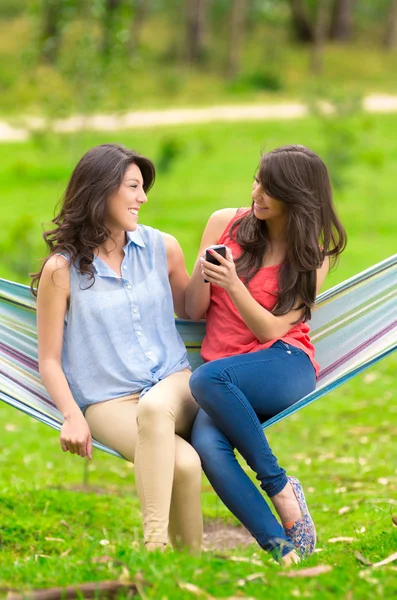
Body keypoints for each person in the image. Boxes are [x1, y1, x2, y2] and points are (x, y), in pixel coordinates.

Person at [32, 143, 203, 554]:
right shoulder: (61, 271)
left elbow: (194, 309)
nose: (142, 198)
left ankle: (154, 544)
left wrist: (223, 263)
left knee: (154, 408)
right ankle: (189, 567)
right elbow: (49, 360)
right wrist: (72, 417)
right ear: (100, 191)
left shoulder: (164, 248)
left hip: (174, 383)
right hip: (108, 402)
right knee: (185, 463)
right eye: (133, 187)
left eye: (143, 188)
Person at [185, 145, 347, 565]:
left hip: (284, 363)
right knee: (207, 445)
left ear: (295, 196)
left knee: (204, 379)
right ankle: (284, 552)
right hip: (226, 374)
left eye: (269, 187)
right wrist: (204, 273)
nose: (256, 192)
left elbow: (272, 329)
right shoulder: (225, 223)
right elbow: (192, 310)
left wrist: (234, 284)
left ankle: (279, 487)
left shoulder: (312, 254)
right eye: (256, 179)